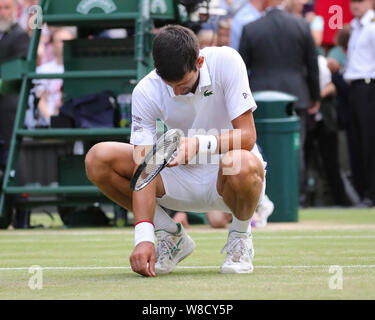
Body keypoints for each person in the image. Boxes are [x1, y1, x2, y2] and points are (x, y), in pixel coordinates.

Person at [85, 25, 267, 277]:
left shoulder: (227, 61)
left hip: (230, 176)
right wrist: (144, 236)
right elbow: (144, 170)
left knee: (242, 162)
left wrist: (199, 144)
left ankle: (240, 237)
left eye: (183, 84)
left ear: (199, 61)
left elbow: (248, 136)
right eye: (168, 84)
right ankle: (169, 236)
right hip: (177, 178)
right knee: (98, 158)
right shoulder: (146, 90)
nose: (175, 92)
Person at [239, 0, 320, 206]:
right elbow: (312, 65)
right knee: (295, 148)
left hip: (259, 100)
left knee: (260, 150)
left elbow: (240, 70)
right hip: (295, 98)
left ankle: (260, 198)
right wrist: (315, 96)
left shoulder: (251, 28)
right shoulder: (301, 26)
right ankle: (294, 200)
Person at [343, 0, 375, 207]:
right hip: (353, 87)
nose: (355, 5)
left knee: (369, 142)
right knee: (355, 141)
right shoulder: (354, 27)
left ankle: (371, 192)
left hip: (368, 85)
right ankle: (363, 191)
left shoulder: (372, 26)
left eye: (360, 0)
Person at [0, 0, 29, 171]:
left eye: (6, 8)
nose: (2, 12)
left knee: (13, 147)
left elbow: (16, 73)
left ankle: (20, 194)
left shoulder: (20, 36)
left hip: (8, 102)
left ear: (16, 10)